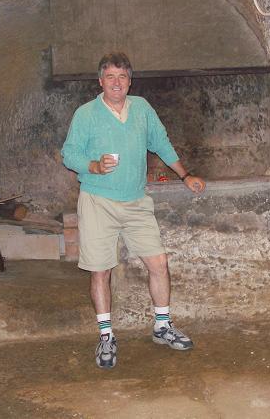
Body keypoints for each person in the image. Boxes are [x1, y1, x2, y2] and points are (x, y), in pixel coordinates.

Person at [61, 52, 206, 369]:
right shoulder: (86, 114)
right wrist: (93, 166)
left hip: (136, 201)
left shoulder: (141, 108)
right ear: (100, 81)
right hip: (98, 201)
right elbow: (69, 154)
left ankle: (162, 326)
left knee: (159, 262)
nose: (116, 82)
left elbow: (161, 142)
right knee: (101, 270)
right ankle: (106, 336)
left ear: (130, 81)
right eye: (110, 76)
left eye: (122, 76)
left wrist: (185, 175)